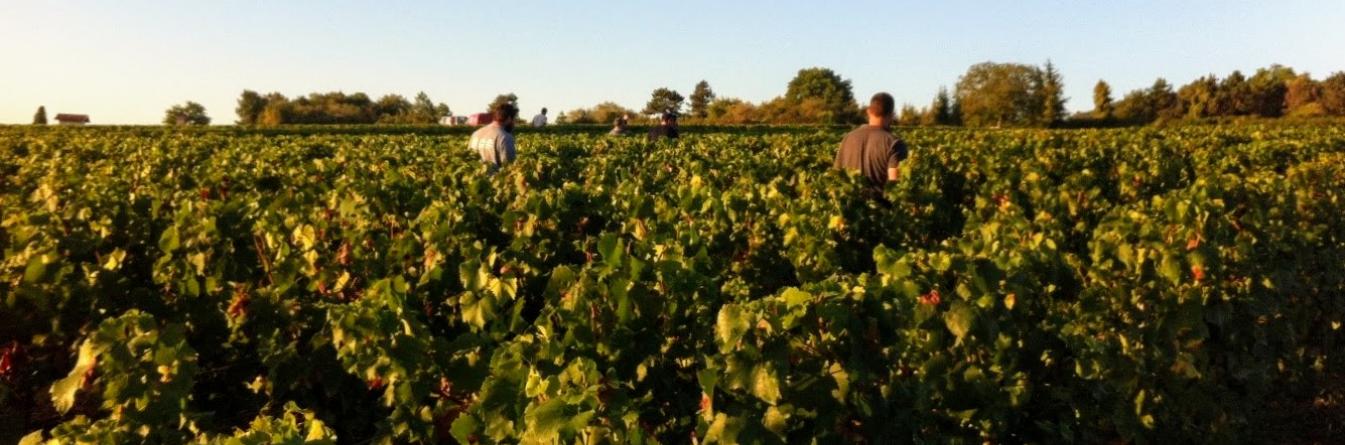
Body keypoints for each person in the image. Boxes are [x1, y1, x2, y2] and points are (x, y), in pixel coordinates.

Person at [835, 92, 909, 189]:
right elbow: (895, 187)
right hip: (881, 203)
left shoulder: (847, 138)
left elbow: (837, 176)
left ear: (868, 111)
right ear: (891, 114)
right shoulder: (895, 144)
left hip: (849, 203)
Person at [470, 103, 519, 170]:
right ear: (509, 118)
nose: (514, 123)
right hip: (494, 179)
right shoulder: (505, 137)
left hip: (475, 178)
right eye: (514, 119)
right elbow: (509, 167)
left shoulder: (476, 134)